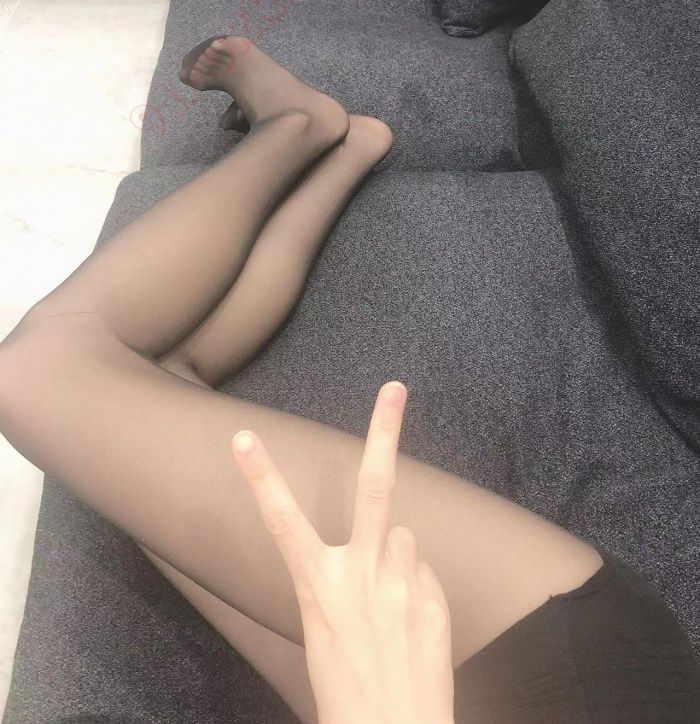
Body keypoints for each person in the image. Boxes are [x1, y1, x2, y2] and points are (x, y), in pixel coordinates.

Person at [0, 37, 698, 723]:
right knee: (38, 371)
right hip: (561, 671)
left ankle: (342, 146)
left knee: (155, 395)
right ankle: (295, 126)